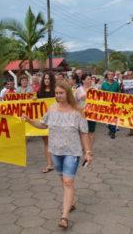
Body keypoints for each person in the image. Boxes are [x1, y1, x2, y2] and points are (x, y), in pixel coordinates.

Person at [22, 80, 93, 229]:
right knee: (63, 179)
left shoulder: (78, 111)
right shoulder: (52, 108)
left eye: (61, 93)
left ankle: (64, 217)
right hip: (55, 151)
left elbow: (84, 133)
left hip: (72, 152)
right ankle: (71, 202)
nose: (58, 95)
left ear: (68, 93)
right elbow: (43, 124)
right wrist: (28, 120)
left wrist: (87, 152)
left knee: (68, 181)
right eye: (56, 93)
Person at [37, 72, 56, 173]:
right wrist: (34, 100)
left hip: (57, 120)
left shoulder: (56, 91)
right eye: (45, 79)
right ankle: (49, 164)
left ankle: (60, 161)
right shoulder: (39, 92)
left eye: (48, 79)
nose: (47, 80)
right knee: (46, 142)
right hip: (45, 120)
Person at [74, 74, 97, 149]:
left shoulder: (94, 89)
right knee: (83, 132)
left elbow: (99, 101)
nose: (90, 80)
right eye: (88, 79)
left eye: (90, 79)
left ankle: (89, 149)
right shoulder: (78, 90)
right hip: (82, 114)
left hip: (92, 113)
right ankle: (84, 147)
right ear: (83, 81)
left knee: (91, 131)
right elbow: (74, 102)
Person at [121, 71, 133, 139]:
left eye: (130, 75)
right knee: (129, 117)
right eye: (128, 75)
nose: (129, 76)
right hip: (127, 102)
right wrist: (122, 87)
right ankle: (130, 131)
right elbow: (122, 92)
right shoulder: (124, 82)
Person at [101, 71, 120, 139]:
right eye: (109, 74)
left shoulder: (116, 84)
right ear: (107, 75)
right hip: (106, 104)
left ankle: (113, 132)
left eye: (112, 74)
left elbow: (119, 94)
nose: (110, 76)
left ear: (114, 75)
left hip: (115, 104)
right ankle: (110, 128)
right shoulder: (104, 84)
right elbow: (101, 94)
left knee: (114, 118)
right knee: (107, 118)